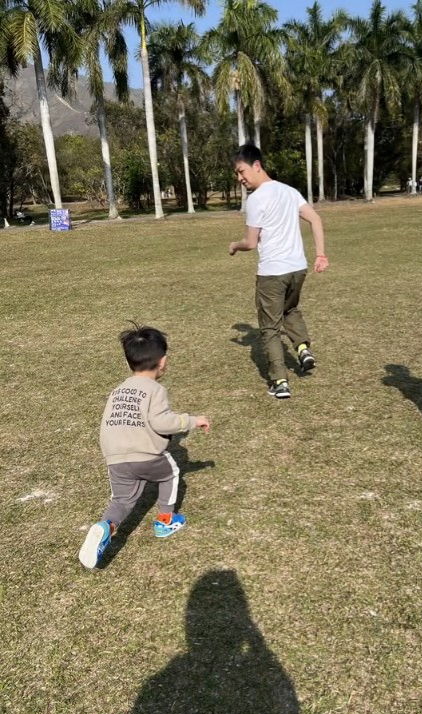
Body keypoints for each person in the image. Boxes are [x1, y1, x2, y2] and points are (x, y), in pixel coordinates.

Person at [79, 325, 210, 569]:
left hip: (115, 457)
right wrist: (192, 420)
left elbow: (107, 422)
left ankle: (104, 526)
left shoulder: (117, 390)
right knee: (170, 472)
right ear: (163, 361)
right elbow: (162, 421)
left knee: (122, 500)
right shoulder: (156, 390)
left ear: (129, 363)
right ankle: (165, 520)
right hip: (145, 455)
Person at [229, 143, 329, 399]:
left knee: (270, 328)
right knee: (290, 309)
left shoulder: (257, 199)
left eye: (242, 172)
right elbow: (316, 219)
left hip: (272, 273)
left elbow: (251, 243)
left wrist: (235, 246)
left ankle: (280, 382)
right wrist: (320, 254)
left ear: (257, 165)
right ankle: (303, 348)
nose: (240, 179)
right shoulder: (290, 191)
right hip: (298, 269)